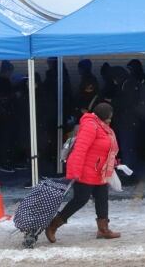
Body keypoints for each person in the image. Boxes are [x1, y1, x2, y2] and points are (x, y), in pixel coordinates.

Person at [45, 102, 120, 242]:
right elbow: (80, 150)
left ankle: (103, 229)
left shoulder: (102, 126)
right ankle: (53, 225)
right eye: (109, 117)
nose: (111, 119)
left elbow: (104, 149)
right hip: (85, 171)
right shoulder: (90, 126)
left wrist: (113, 162)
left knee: (102, 198)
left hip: (99, 171)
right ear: (104, 116)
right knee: (80, 200)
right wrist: (75, 172)